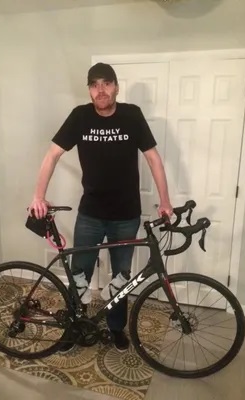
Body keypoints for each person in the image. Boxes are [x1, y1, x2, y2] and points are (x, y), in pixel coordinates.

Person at [29, 62, 173, 353]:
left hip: (126, 214)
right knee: (79, 272)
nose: (101, 90)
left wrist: (166, 201)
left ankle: (116, 328)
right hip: (91, 213)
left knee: (121, 276)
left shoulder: (132, 115)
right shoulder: (80, 117)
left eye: (106, 83)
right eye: (94, 84)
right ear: (89, 90)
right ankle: (72, 327)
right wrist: (38, 195)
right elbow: (52, 155)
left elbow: (153, 159)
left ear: (116, 87)